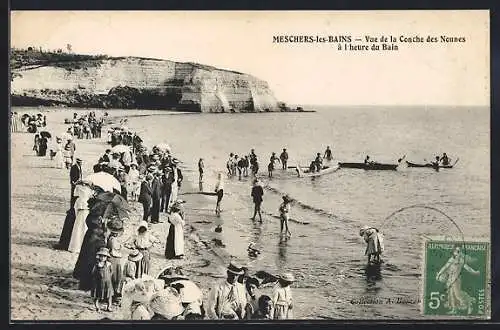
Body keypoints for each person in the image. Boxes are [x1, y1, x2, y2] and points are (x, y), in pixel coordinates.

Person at [436, 245, 480, 315]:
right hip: (450, 280)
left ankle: (469, 304)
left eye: (460, 251)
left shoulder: (461, 260)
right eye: (457, 251)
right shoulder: (451, 260)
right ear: (454, 252)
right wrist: (439, 274)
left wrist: (475, 272)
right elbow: (445, 267)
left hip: (456, 280)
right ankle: (454, 310)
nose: (458, 252)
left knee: (458, 295)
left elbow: (468, 268)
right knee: (451, 295)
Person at [68, 183, 93, 253]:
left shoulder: (79, 197)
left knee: (78, 228)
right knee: (84, 228)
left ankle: (75, 246)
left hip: (80, 212)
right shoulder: (90, 192)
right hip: (86, 211)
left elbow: (76, 207)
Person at [106, 219, 124, 304]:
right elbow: (113, 251)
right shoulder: (112, 239)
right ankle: (112, 295)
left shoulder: (112, 238)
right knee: (114, 277)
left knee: (115, 277)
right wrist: (120, 252)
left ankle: (112, 294)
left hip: (115, 259)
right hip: (114, 259)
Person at [91, 247, 114, 312]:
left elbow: (111, 272)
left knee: (109, 295)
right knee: (97, 295)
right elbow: (93, 272)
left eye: (104, 256)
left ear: (106, 257)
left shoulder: (109, 264)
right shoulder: (97, 265)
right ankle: (97, 307)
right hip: (98, 282)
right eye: (101, 256)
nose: (103, 258)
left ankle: (109, 306)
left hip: (107, 282)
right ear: (99, 256)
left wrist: (107, 278)